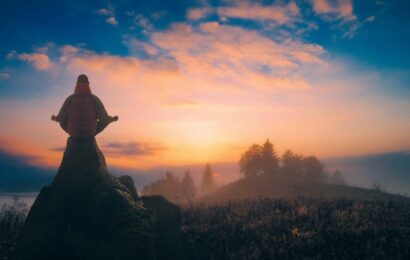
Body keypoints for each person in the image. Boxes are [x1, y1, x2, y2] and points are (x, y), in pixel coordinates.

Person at [51, 74, 118, 137]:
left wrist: (54, 118)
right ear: (88, 84)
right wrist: (113, 119)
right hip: (90, 133)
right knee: (105, 122)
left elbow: (61, 118)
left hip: (73, 132)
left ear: (77, 83)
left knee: (61, 123)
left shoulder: (70, 98)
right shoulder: (94, 98)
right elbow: (104, 119)